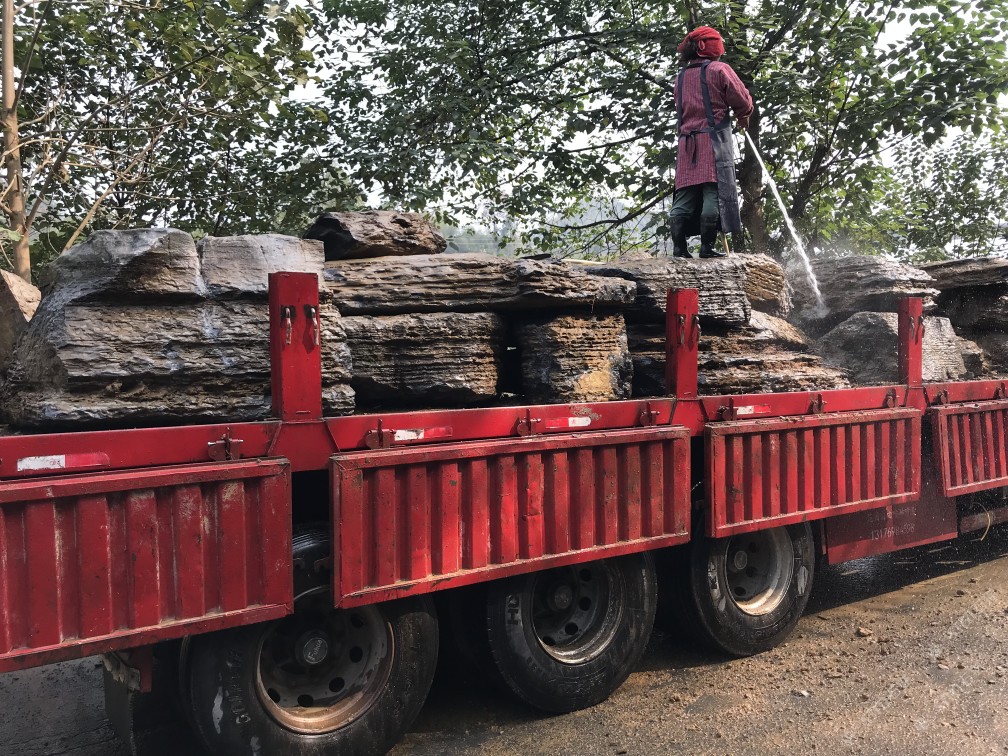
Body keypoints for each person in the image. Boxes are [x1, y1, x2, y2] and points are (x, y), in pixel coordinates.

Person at [669, 26, 753, 258]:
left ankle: (679, 249)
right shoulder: (719, 70)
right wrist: (743, 115)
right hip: (713, 142)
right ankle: (707, 247)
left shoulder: (680, 77)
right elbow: (742, 99)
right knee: (713, 192)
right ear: (711, 48)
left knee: (684, 195)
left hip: (686, 145)